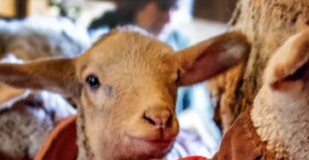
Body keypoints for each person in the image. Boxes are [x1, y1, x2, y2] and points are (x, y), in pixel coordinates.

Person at [88, 0, 220, 145]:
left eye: (175, 9)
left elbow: (201, 112)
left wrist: (189, 123)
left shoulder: (180, 45)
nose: (168, 18)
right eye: (163, 7)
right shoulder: (98, 40)